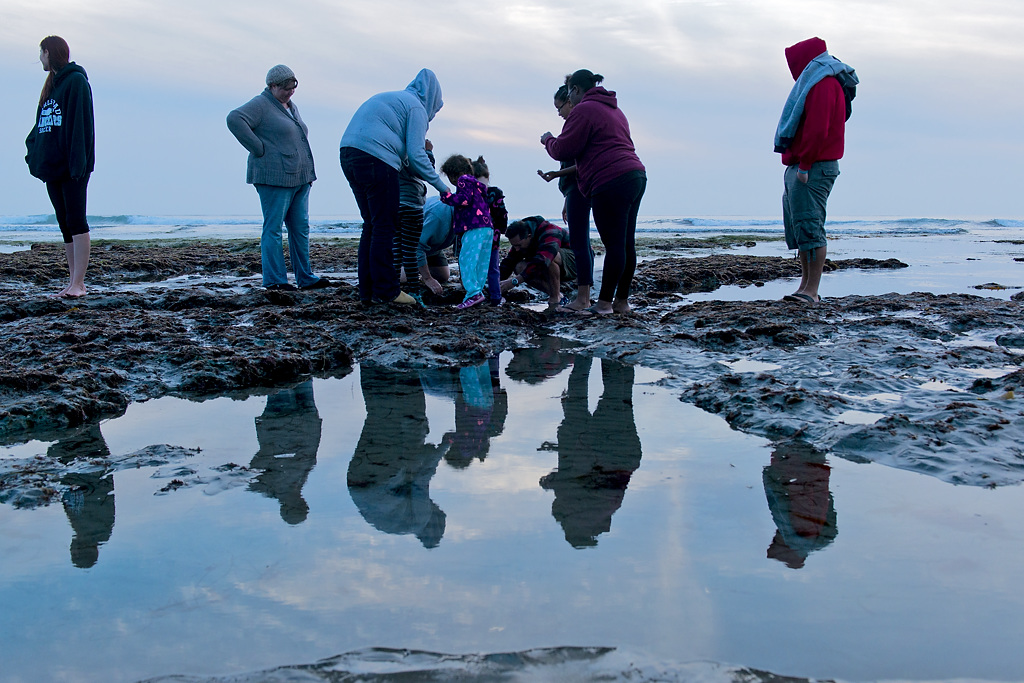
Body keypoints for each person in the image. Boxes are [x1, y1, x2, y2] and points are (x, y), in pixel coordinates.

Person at [340, 69, 449, 305]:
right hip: (376, 158)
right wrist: (443, 188)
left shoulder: (394, 98)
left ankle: (367, 291)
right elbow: (417, 155)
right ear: (431, 98)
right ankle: (388, 291)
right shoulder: (416, 107)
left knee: (371, 225)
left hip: (348, 153)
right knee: (384, 227)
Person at [542, 70, 646, 316]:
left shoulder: (584, 109)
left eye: (569, 93)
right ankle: (621, 302)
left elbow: (564, 148)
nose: (570, 99)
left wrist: (547, 140)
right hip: (636, 175)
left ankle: (603, 304)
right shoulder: (615, 110)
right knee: (625, 244)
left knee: (614, 246)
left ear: (576, 90)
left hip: (610, 180)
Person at [227, 65, 329, 292]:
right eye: (285, 89)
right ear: (272, 86)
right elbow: (234, 119)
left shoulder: (291, 106)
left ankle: (305, 277)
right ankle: (275, 280)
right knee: (273, 228)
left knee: (300, 229)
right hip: (274, 177)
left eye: (293, 88)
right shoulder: (261, 104)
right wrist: (258, 148)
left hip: (300, 177)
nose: (290, 92)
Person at [774, 37, 857, 304]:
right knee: (802, 227)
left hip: (813, 166)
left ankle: (812, 291)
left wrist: (806, 165)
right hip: (803, 164)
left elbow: (818, 130)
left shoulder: (823, 83)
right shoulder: (817, 81)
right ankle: (804, 287)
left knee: (810, 226)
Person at [25, 36, 95, 298]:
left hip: (73, 166)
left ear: (48, 52)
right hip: (52, 166)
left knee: (77, 220)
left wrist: (79, 164)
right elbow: (40, 127)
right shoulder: (51, 85)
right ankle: (72, 282)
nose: (39, 58)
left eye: (41, 53)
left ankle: (80, 283)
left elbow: (81, 123)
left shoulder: (76, 81)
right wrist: (33, 154)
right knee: (64, 223)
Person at [537, 84, 594, 311]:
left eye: (559, 107)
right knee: (582, 242)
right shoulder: (574, 126)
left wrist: (556, 171)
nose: (558, 113)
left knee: (581, 243)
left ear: (570, 102)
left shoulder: (575, 126)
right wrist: (565, 200)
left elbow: (581, 163)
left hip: (580, 191)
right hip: (574, 191)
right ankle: (585, 297)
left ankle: (583, 299)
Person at [439, 154, 500, 309]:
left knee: (466, 260)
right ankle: (476, 292)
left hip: (473, 227)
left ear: (454, 174)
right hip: (487, 228)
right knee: (480, 262)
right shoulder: (478, 185)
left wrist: (447, 197)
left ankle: (473, 293)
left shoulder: (463, 180)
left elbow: (463, 200)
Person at [499, 216, 575, 310]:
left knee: (550, 257)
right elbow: (508, 263)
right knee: (519, 267)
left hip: (576, 263)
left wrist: (514, 281)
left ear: (529, 236)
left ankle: (555, 298)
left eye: (518, 245)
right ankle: (558, 293)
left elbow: (543, 260)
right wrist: (495, 283)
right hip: (552, 266)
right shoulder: (521, 241)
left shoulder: (550, 231)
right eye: (514, 246)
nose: (516, 249)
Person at [395, 138, 437, 298]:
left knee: (397, 250)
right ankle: (415, 293)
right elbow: (427, 171)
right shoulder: (412, 151)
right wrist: (428, 152)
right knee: (410, 251)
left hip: (395, 202)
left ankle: (394, 290)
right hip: (411, 203)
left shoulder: (392, 150)